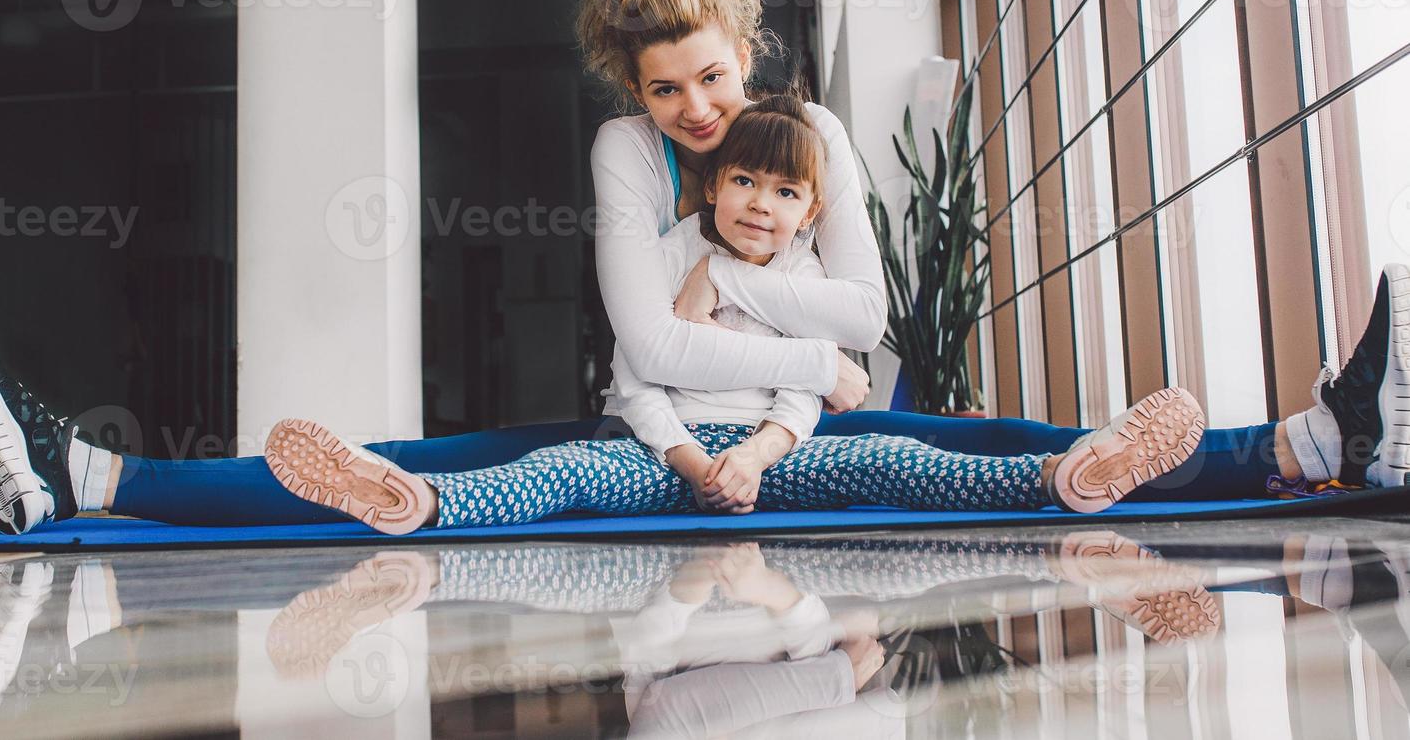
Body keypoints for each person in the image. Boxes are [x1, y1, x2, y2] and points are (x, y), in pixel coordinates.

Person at [0, 0, 1407, 534]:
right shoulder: (617, 151)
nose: (699, 115)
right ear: (628, 91)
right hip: (661, 421)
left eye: (713, 77)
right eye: (665, 92)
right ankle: (84, 475)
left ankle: (1312, 445)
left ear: (747, 47)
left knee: (982, 445)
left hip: (792, 422)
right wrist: (769, 326)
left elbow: (870, 329)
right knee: (433, 465)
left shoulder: (817, 137)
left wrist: (736, 302)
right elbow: (642, 344)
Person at [256, 97, 1209, 532]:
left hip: (775, 463)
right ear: (712, 186)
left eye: (783, 192)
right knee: (555, 470)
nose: (759, 202)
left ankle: (1067, 477)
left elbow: (809, 398)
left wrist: (752, 457)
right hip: (661, 459)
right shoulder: (671, 253)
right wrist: (687, 459)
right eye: (741, 181)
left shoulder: (805, 280)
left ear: (810, 209)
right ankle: (414, 502)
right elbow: (637, 381)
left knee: (902, 460)